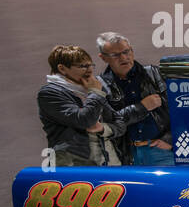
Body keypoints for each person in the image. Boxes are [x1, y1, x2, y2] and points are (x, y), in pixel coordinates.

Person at [37, 45, 123, 166]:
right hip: (73, 164)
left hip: (106, 161)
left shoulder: (90, 90)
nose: (89, 70)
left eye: (90, 65)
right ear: (62, 69)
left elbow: (120, 123)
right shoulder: (50, 93)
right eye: (82, 66)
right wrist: (96, 93)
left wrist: (103, 128)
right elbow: (85, 120)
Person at [96, 32, 172, 166]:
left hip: (160, 151)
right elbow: (108, 124)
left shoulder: (154, 74)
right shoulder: (100, 85)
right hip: (125, 156)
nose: (124, 57)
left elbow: (181, 108)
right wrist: (142, 107)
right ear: (103, 58)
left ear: (132, 50)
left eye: (126, 51)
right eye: (115, 55)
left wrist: (169, 139)